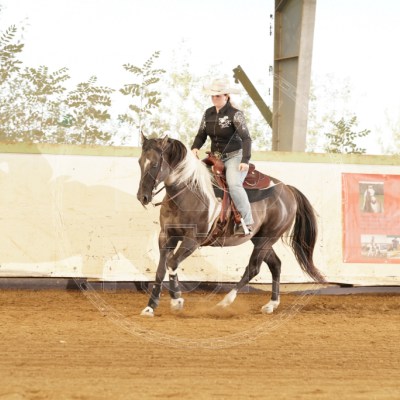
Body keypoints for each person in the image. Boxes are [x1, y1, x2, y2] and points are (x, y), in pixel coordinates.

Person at [191, 77, 253, 236]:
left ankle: (247, 222)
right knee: (194, 178)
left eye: (217, 95)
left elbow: (246, 138)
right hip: (215, 158)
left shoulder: (235, 114)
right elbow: (201, 135)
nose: (214, 98)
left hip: (234, 157)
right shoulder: (208, 113)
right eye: (212, 96)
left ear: (226, 96)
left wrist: (245, 160)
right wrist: (195, 148)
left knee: (234, 184)